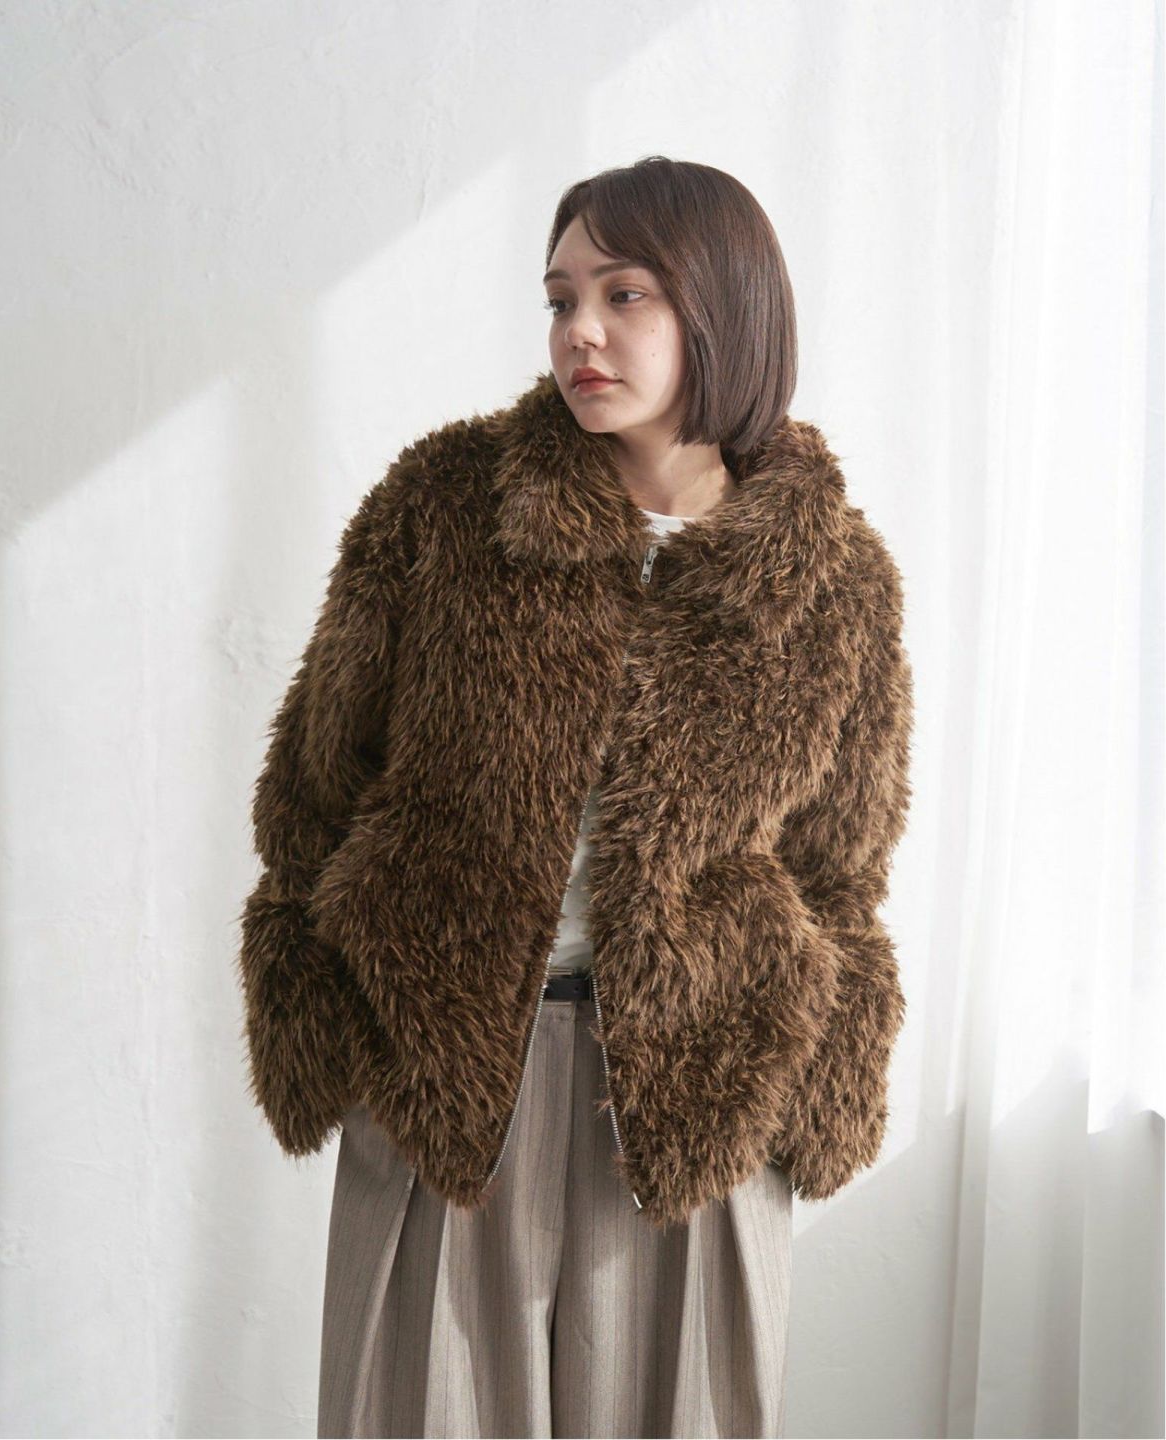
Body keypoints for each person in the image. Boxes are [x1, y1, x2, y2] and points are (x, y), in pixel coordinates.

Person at [236, 155, 915, 1439]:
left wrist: (810, 1096)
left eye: (623, 294)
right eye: (560, 299)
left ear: (723, 306)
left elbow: (842, 872)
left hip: (701, 1100)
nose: (579, 332)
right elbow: (316, 783)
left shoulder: (832, 582)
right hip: (444, 1086)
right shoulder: (448, 507)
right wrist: (338, 1025)